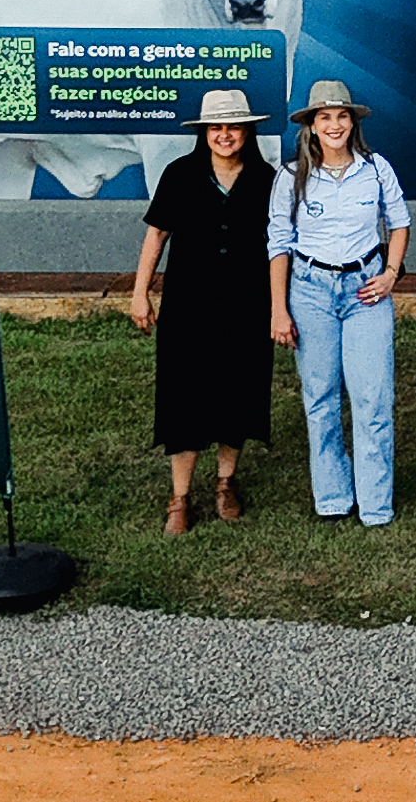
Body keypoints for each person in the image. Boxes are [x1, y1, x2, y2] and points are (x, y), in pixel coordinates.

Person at [130, 87, 280, 536]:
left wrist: (278, 306)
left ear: (247, 132)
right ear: (204, 133)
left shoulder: (266, 179)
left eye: (233, 127)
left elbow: (279, 246)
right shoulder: (179, 174)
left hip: (247, 305)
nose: (225, 135)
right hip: (188, 306)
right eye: (216, 127)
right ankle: (179, 497)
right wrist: (140, 293)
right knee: (184, 397)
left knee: (238, 390)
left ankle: (224, 483)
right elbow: (156, 236)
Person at [265, 80, 411, 527]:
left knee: (372, 398)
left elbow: (400, 223)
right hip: (310, 291)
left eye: (342, 116)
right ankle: (331, 497)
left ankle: (375, 504)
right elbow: (279, 244)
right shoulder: (290, 176)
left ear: (353, 122)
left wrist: (390, 273)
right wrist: (279, 309)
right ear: (310, 125)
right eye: (324, 117)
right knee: (321, 397)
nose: (334, 125)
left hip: (366, 290)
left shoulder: (375, 167)